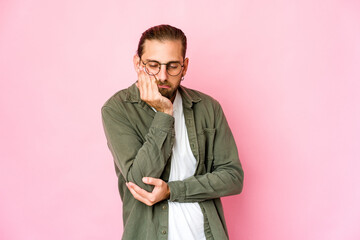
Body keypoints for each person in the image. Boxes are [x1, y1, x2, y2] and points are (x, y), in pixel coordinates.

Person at [101, 24, 244, 240]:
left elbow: (233, 177)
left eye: (173, 66)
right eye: (153, 65)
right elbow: (140, 183)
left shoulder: (208, 107)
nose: (163, 76)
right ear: (137, 63)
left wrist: (173, 191)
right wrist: (164, 114)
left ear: (185, 66)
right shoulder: (117, 109)